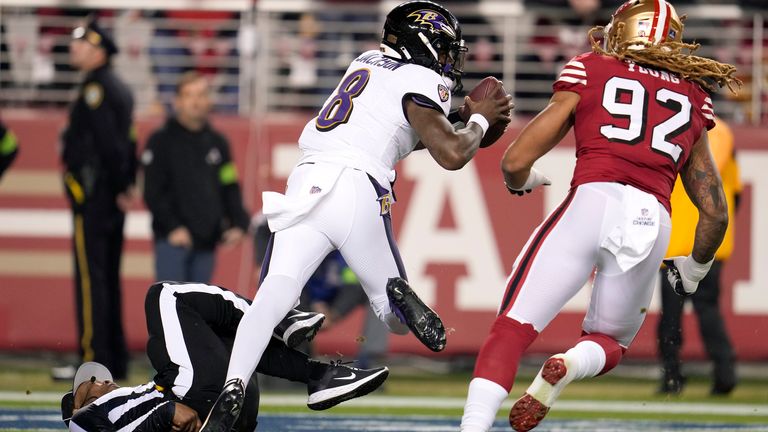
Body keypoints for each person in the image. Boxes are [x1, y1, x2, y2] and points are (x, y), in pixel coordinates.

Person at [200, 1, 514, 430]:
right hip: (357, 188)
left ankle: (233, 383)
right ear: (424, 43)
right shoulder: (421, 78)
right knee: (391, 315)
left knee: (275, 293)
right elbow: (453, 153)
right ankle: (397, 299)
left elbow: (398, 131)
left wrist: (457, 116)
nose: (448, 61)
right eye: (445, 49)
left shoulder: (364, 63)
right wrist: (475, 121)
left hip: (307, 179)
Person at [460, 1, 740, 431]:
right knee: (611, 342)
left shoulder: (593, 67)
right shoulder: (692, 95)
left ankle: (472, 427)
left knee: (512, 328)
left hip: (593, 200)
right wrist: (695, 269)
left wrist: (523, 181)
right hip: (651, 221)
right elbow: (716, 214)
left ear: (627, 30)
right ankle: (569, 365)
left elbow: (515, 161)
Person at [60, 282, 389, 431]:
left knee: (218, 335)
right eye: (89, 385)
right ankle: (281, 321)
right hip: (202, 397)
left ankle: (319, 375)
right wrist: (165, 415)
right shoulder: (83, 421)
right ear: (76, 407)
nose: (100, 380)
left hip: (229, 410)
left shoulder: (125, 403)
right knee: (162, 295)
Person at [60, 17, 137, 381]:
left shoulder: (96, 88)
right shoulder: (118, 87)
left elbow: (108, 145)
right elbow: (128, 144)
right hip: (110, 197)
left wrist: (108, 187)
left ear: (98, 50)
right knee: (107, 279)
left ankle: (92, 359)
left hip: (94, 200)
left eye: (81, 44)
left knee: (92, 281)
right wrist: (125, 185)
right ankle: (113, 359)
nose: (73, 49)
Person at [657, 118, 741, 395]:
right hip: (709, 241)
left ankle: (672, 377)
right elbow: (735, 192)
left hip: (674, 238)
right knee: (708, 310)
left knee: (671, 316)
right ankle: (724, 373)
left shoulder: (667, 121)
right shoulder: (724, 132)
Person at [142, 71, 250, 283]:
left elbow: (229, 184)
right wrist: (173, 227)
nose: (196, 102)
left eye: (201, 95)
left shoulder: (218, 143)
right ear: (178, 101)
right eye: (189, 95)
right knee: (172, 307)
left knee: (200, 311)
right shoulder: (161, 141)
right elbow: (152, 191)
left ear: (209, 100)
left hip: (207, 243)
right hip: (172, 242)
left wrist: (239, 222)